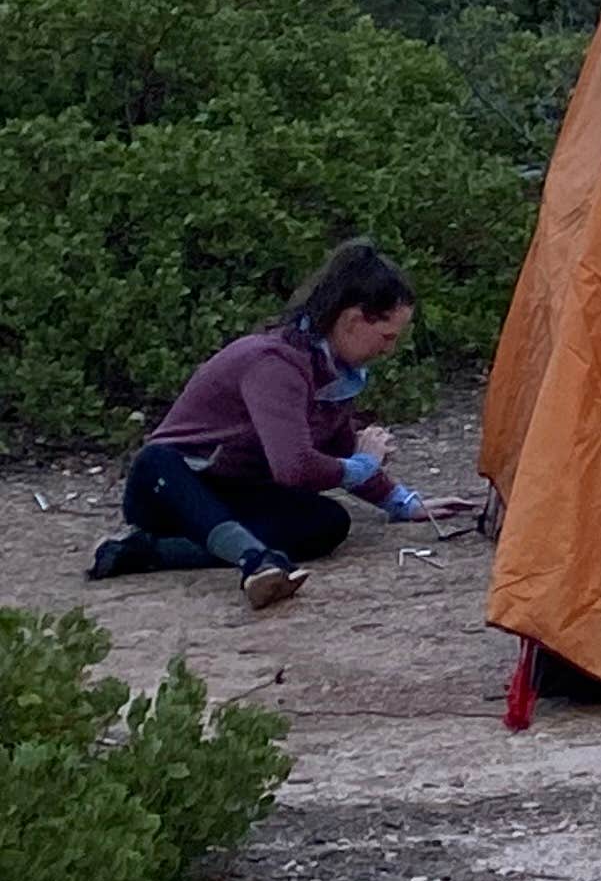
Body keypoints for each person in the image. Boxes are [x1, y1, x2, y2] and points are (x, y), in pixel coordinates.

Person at [89, 241, 468, 611]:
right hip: (168, 489)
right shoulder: (275, 363)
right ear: (353, 320)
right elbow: (294, 466)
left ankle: (147, 552)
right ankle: (256, 562)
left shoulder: (332, 372)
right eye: (386, 336)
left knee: (328, 522)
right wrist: (364, 464)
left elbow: (336, 443)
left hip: (231, 490)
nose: (388, 349)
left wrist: (399, 501)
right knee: (157, 460)